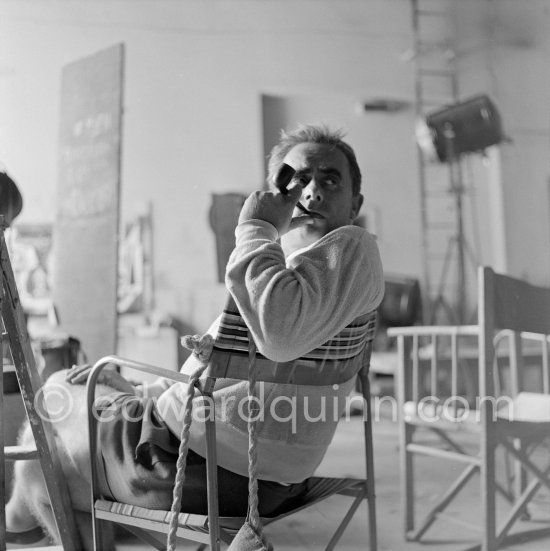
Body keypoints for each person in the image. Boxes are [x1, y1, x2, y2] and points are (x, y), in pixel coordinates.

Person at [5, 123, 384, 549]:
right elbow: (220, 379)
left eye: (330, 179)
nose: (312, 191)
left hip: (195, 469)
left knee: (50, 406)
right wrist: (138, 388)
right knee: (50, 467)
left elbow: (279, 337)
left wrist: (257, 227)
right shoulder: (287, 274)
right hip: (252, 474)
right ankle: (22, 517)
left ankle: (16, 522)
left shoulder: (350, 248)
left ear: (355, 204)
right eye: (297, 180)